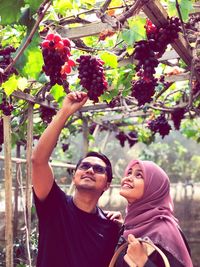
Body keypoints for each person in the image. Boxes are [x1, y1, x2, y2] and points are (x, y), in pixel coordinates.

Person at [31, 91, 120, 267]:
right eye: (84, 166)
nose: (90, 171)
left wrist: (123, 225)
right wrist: (64, 112)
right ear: (74, 177)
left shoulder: (111, 227)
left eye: (98, 169)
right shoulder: (54, 204)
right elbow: (38, 160)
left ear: (107, 185)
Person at [108, 159, 193, 267]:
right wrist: (121, 228)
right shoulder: (130, 227)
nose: (128, 178)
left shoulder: (165, 231)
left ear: (154, 188)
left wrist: (143, 261)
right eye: (129, 172)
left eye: (138, 175)